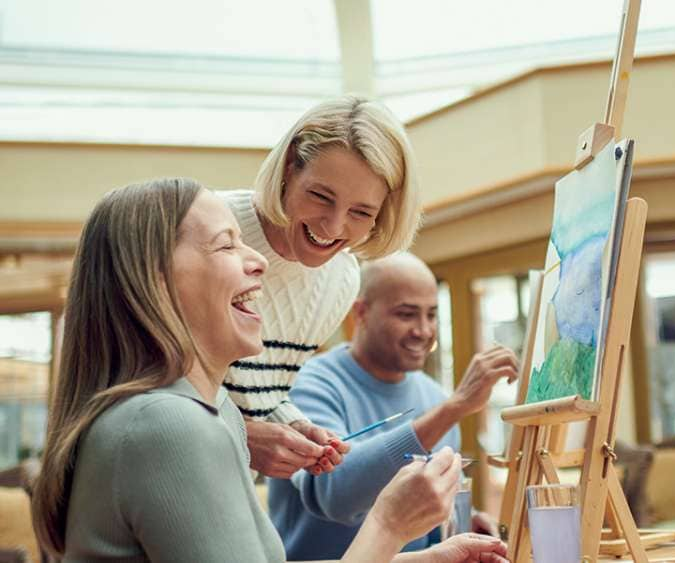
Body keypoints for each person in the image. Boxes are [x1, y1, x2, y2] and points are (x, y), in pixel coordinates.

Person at [31, 179, 508, 562]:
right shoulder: (166, 426)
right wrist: (388, 526)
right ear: (155, 281)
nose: (259, 260)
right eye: (226, 246)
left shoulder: (210, 410)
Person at [217, 96, 422, 478]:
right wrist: (242, 437)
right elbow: (143, 394)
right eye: (320, 196)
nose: (332, 227)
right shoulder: (208, 229)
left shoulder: (341, 278)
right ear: (291, 165)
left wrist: (294, 424)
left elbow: (258, 395)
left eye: (361, 213)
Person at [269, 252, 519, 560]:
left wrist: (459, 518)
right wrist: (453, 408)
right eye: (406, 314)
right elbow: (336, 495)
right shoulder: (307, 384)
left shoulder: (434, 397)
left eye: (431, 314)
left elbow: (419, 510)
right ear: (360, 313)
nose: (424, 330)